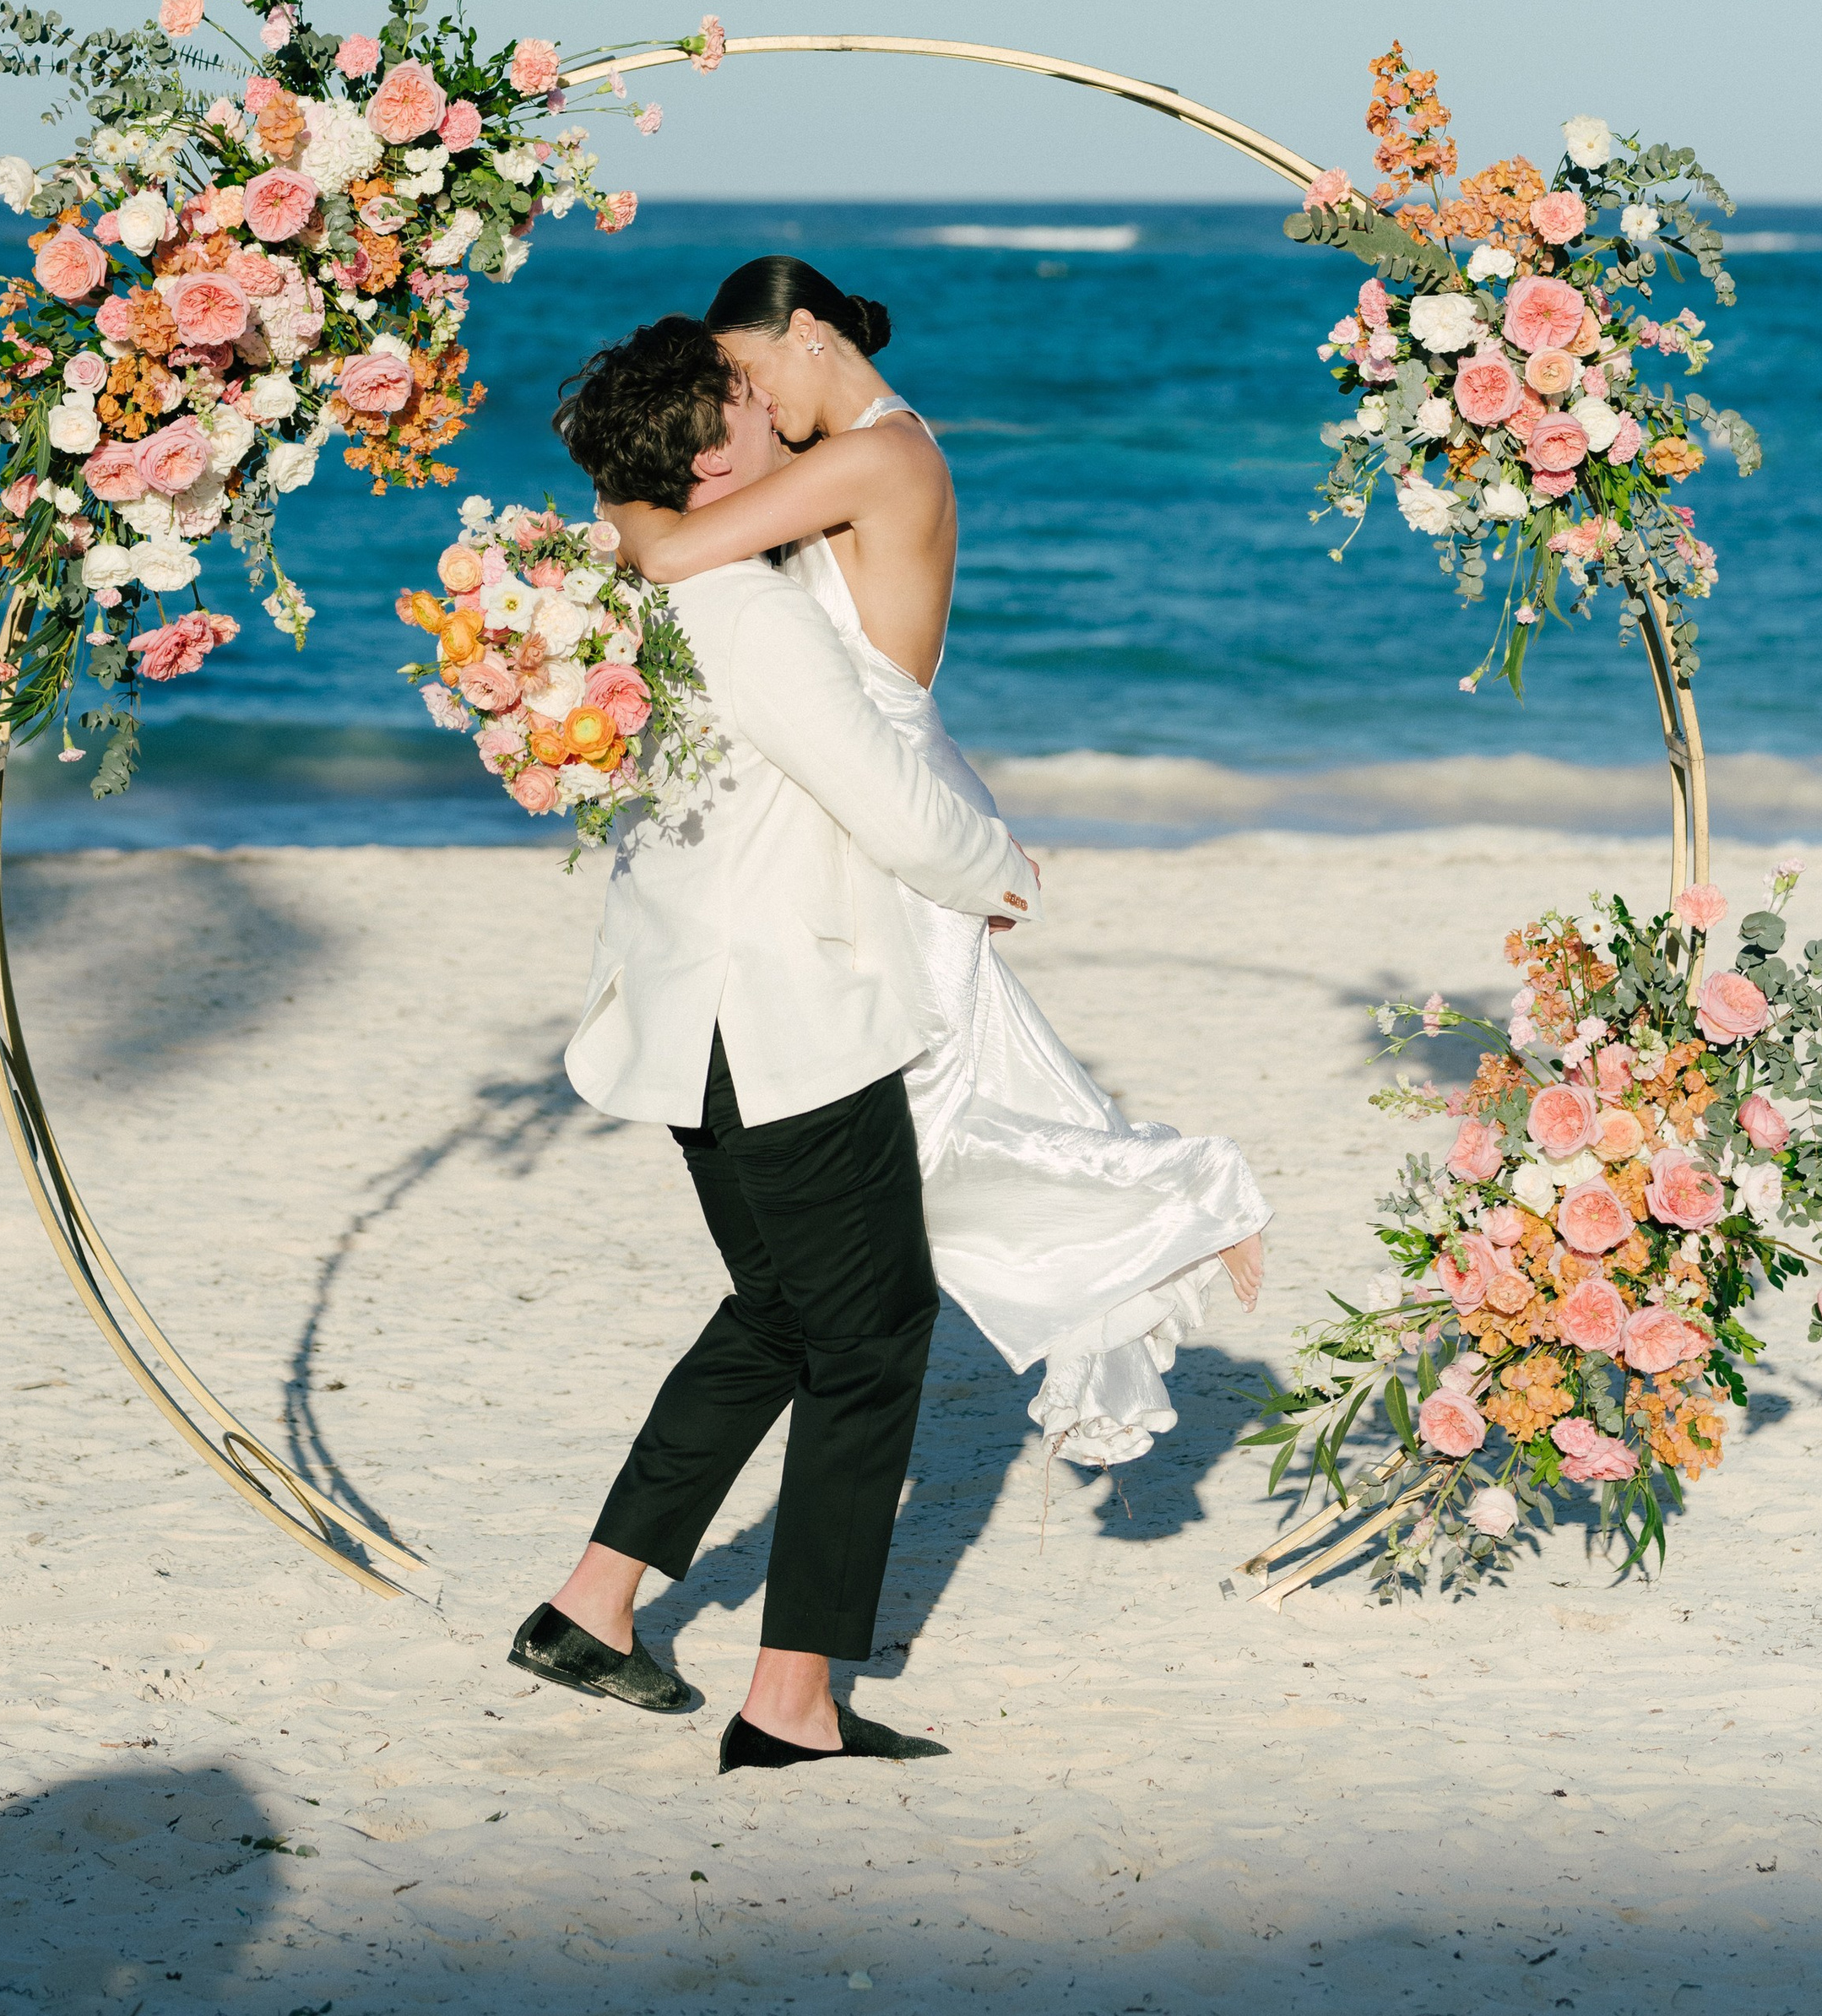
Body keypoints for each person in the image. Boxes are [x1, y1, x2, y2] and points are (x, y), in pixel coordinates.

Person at [602, 254, 1269, 1467]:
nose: (737, 411)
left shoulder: (880, 455)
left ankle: (1185, 1201)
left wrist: (615, 480)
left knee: (926, 1125)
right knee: (934, 1120)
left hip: (887, 821)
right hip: (876, 800)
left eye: (742, 375)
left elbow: (668, 551)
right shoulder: (839, 459)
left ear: (808, 335)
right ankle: (1155, 1215)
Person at [510, 315, 1044, 1774]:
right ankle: (791, 1697)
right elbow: (880, 792)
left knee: (782, 1312)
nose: (775, 426)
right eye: (745, 408)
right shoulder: (744, 603)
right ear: (707, 455)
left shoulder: (646, 579)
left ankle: (591, 1608)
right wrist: (1001, 872)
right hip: (782, 1019)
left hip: (695, 1007)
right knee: (874, 1340)